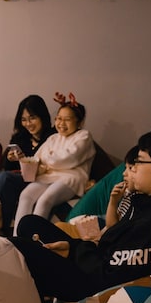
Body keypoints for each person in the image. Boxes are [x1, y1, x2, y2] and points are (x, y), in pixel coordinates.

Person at [12, 123, 151, 301]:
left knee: (15, 247)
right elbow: (109, 247)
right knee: (29, 223)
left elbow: (108, 274)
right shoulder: (144, 201)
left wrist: (75, 252)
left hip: (92, 284)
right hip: (93, 263)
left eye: (139, 163)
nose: (132, 169)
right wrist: (73, 248)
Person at [12, 92, 95, 226]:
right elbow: (36, 159)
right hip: (49, 176)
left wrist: (47, 162)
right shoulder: (53, 138)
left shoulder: (84, 136)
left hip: (71, 177)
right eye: (58, 119)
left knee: (45, 199)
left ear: (79, 121)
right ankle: (17, 238)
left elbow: (69, 158)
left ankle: (35, 238)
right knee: (26, 195)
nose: (61, 123)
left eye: (67, 119)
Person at [0, 95, 53, 234]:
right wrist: (10, 159)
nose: (28, 123)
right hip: (19, 177)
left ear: (42, 117)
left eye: (32, 118)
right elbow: (7, 167)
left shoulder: (53, 137)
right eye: (24, 119)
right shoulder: (20, 137)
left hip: (38, 180)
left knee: (5, 178)